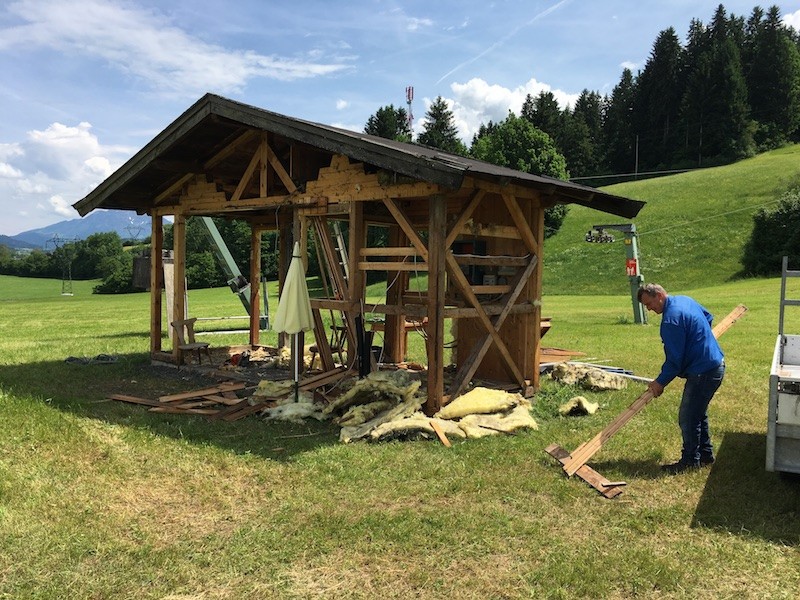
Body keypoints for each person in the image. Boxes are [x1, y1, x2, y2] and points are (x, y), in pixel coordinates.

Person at [637, 283, 726, 474]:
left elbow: (674, 361)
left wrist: (660, 382)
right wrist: (699, 341)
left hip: (704, 372)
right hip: (715, 365)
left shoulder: (671, 321)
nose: (649, 309)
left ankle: (690, 461)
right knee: (697, 412)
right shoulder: (685, 300)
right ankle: (705, 455)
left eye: (649, 303)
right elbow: (708, 317)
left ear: (659, 295)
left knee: (687, 417)